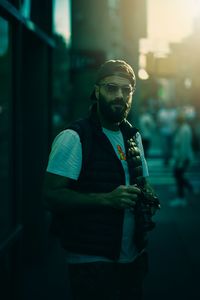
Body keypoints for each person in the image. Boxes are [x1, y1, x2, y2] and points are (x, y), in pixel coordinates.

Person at [43, 59, 160, 300]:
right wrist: (107, 199)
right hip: (91, 258)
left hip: (133, 256)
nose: (119, 95)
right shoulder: (74, 137)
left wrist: (148, 195)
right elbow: (51, 195)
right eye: (111, 88)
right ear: (97, 91)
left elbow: (143, 182)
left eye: (126, 90)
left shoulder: (132, 136)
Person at [169, 111, 195, 207]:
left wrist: (180, 161)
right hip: (181, 158)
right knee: (178, 175)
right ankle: (189, 188)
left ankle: (181, 198)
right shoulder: (181, 129)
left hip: (184, 158)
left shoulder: (184, 130)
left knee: (178, 175)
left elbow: (184, 147)